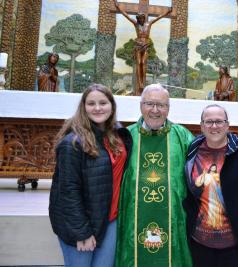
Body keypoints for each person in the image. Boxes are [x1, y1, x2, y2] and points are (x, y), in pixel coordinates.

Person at [49, 84, 132, 267]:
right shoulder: (73, 143)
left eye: (103, 102)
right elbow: (68, 192)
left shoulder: (118, 134)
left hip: (109, 220)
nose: (97, 108)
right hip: (81, 224)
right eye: (91, 103)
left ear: (112, 105)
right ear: (83, 107)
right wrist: (81, 232)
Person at [115, 84, 194, 267]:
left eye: (161, 105)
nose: (155, 110)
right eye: (150, 104)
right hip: (132, 219)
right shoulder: (125, 136)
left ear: (168, 108)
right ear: (141, 105)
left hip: (174, 219)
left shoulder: (182, 136)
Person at [183, 104, 238, 267]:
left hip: (236, 247)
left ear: (227, 125)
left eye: (219, 121)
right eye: (209, 122)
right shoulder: (193, 148)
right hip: (200, 244)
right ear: (201, 126)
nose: (214, 126)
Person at [114, 0, 172, 95]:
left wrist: (167, 12)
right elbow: (127, 16)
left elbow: (159, 17)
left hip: (145, 46)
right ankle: (140, 83)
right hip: (138, 46)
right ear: (138, 19)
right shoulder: (136, 25)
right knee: (139, 63)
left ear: (144, 18)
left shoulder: (148, 24)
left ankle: (142, 84)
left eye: (142, 18)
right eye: (139, 18)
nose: (140, 20)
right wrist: (119, 8)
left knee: (143, 63)